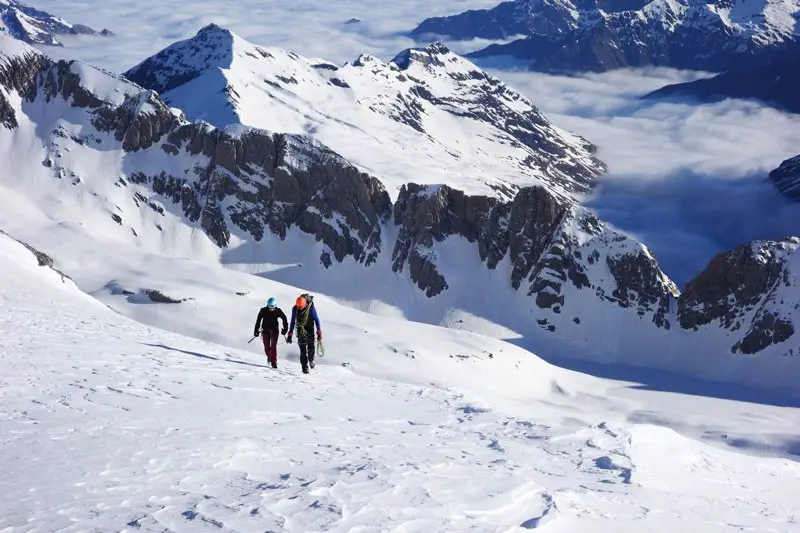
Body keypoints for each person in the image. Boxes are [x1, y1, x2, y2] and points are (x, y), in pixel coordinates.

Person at [287, 294, 322, 374]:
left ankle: (311, 359)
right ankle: (304, 368)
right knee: (302, 350)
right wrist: (290, 334)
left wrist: (319, 331)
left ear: (305, 304)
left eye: (300, 307)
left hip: (310, 329)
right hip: (300, 330)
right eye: (298, 307)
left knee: (311, 348)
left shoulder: (311, 308)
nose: (299, 309)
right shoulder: (295, 309)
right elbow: (292, 321)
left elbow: (316, 319)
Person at [253, 297, 288, 369]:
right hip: (265, 330)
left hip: (275, 330)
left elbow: (284, 319)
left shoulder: (278, 311)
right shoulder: (263, 310)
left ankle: (274, 362)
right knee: (266, 347)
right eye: (270, 307)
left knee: (273, 346)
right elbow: (258, 320)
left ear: (275, 306)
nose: (271, 309)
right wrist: (256, 331)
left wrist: (285, 329)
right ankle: (269, 356)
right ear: (267, 305)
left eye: (273, 307)